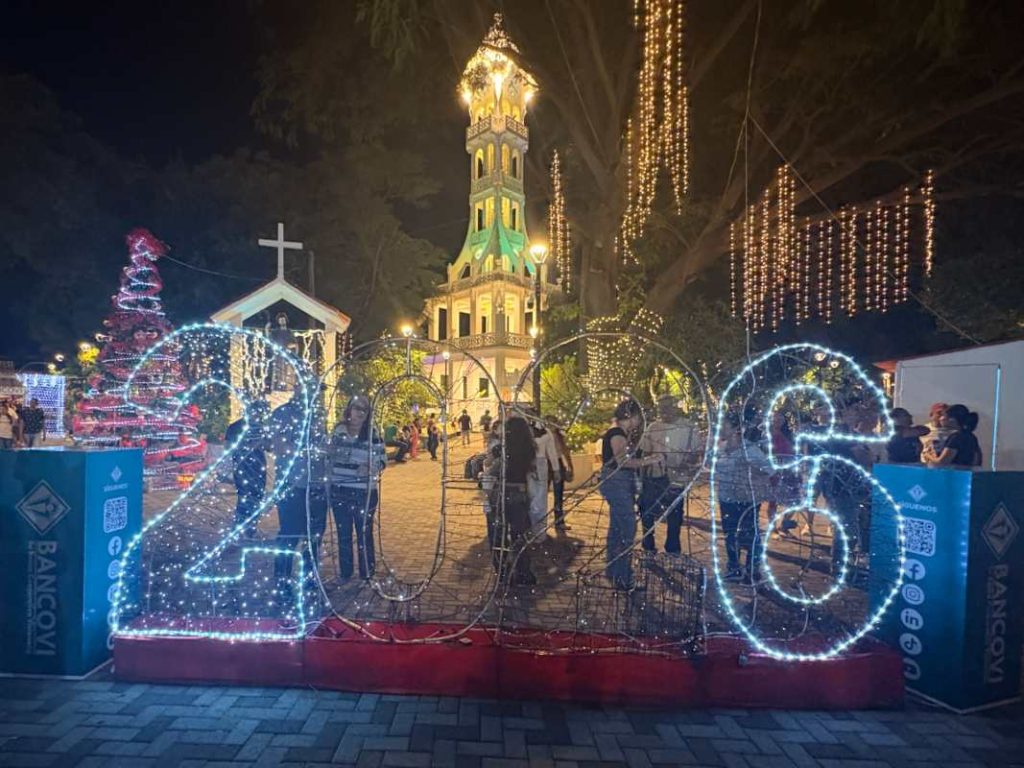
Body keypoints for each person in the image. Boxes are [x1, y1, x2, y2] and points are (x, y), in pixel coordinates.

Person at [266, 387, 328, 593]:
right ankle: (282, 577)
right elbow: (277, 445)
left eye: (319, 392)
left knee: (314, 536)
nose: (315, 395)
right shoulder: (283, 413)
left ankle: (310, 577)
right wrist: (307, 450)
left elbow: (323, 446)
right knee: (290, 535)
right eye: (312, 391)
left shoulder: (318, 415)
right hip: (292, 485)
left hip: (317, 484)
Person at [601, 400, 662, 591]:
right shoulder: (617, 433)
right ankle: (623, 575)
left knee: (617, 527)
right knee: (626, 529)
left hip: (615, 482)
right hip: (616, 483)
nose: (639, 422)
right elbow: (622, 462)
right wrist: (649, 460)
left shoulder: (619, 432)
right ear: (631, 416)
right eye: (638, 417)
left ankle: (613, 570)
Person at [327, 395, 386, 580]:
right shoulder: (338, 431)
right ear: (349, 410)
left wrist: (370, 466)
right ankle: (346, 573)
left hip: (365, 491)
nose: (360, 412)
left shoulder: (373, 433)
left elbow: (382, 460)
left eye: (364, 409)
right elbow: (330, 457)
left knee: (364, 533)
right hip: (340, 489)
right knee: (343, 533)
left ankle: (366, 572)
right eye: (357, 408)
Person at [715, 418, 774, 583]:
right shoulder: (721, 447)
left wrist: (749, 473)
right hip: (726, 498)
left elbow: (769, 470)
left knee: (750, 534)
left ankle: (752, 571)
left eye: (724, 425)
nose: (720, 428)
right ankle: (734, 568)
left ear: (736, 429)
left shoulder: (750, 449)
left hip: (746, 499)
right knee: (730, 534)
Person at [637, 395, 698, 554]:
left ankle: (672, 548)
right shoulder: (653, 427)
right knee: (647, 512)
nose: (663, 412)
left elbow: (695, 453)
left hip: (677, 478)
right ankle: (648, 545)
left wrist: (686, 461)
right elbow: (645, 452)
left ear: (675, 407)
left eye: (666, 407)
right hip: (654, 477)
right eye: (660, 408)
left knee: (675, 514)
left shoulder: (688, 427)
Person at [483, 416, 536, 586]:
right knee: (519, 534)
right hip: (520, 491)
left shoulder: (501, 448)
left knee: (497, 533)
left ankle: (502, 570)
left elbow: (489, 464)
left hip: (501, 492)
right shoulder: (530, 448)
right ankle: (523, 571)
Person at [224, 400, 270, 536]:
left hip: (259, 467)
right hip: (242, 467)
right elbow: (228, 448)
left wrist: (264, 442)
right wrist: (247, 447)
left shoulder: (262, 428)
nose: (258, 415)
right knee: (245, 496)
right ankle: (240, 528)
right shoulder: (236, 427)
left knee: (257, 497)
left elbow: (270, 447)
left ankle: (250, 528)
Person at [766, 410, 802, 536]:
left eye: (780, 417)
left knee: (794, 499)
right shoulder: (766, 433)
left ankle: (784, 524)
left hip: (790, 468)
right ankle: (772, 527)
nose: (777, 420)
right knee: (773, 500)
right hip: (774, 468)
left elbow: (796, 450)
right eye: (774, 418)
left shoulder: (790, 433)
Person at [527, 416, 561, 534]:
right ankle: (538, 531)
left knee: (535, 497)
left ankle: (535, 530)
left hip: (535, 464)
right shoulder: (544, 433)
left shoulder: (528, 431)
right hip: (537, 464)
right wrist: (556, 469)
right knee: (538, 498)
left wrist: (556, 469)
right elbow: (551, 452)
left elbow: (552, 452)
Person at [927, 403, 982, 468]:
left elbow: (942, 462)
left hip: (953, 474)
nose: (940, 419)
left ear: (952, 419)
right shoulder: (971, 435)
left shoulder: (956, 437)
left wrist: (929, 456)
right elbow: (977, 459)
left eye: (943, 416)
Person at [545, 416, 574, 531]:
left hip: (557, 462)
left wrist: (570, 466)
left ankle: (559, 521)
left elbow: (565, 451)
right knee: (542, 494)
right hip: (546, 463)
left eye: (554, 422)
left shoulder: (559, 436)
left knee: (558, 494)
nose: (552, 425)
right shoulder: (544, 435)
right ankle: (541, 522)